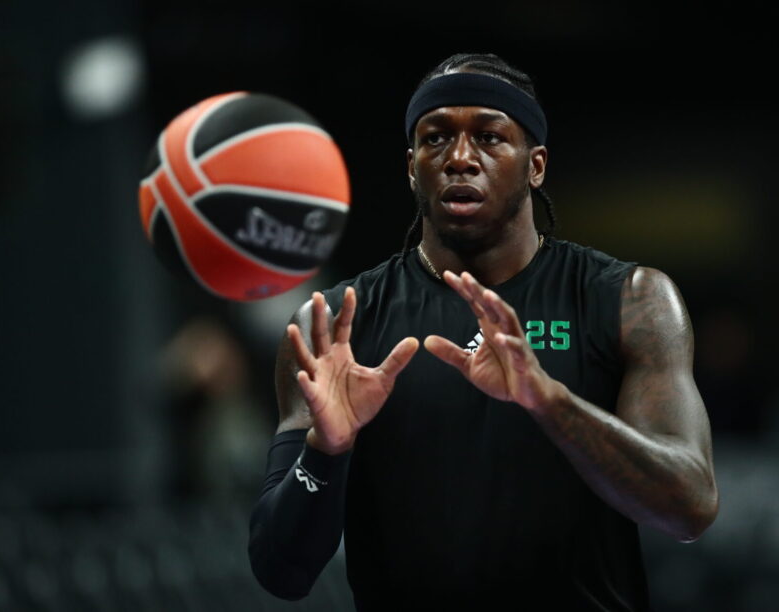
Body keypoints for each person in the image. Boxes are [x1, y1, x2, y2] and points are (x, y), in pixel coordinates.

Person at [248, 53, 718, 612]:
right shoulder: (333, 325)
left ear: (535, 166)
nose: (460, 158)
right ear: (412, 167)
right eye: (436, 138)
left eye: (490, 137)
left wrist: (550, 402)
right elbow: (280, 572)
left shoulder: (629, 300)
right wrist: (326, 451)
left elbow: (690, 508)